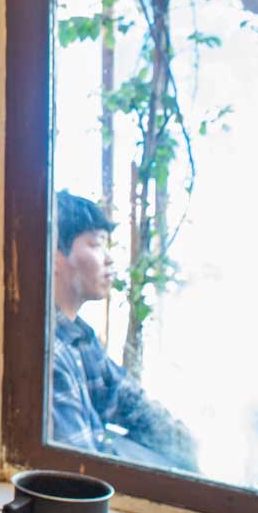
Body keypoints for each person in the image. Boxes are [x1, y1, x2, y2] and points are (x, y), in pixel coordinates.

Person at [51, 191, 198, 472]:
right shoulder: (50, 351)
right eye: (96, 244)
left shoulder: (79, 337)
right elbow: (78, 470)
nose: (108, 259)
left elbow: (127, 399)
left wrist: (189, 449)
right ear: (56, 256)